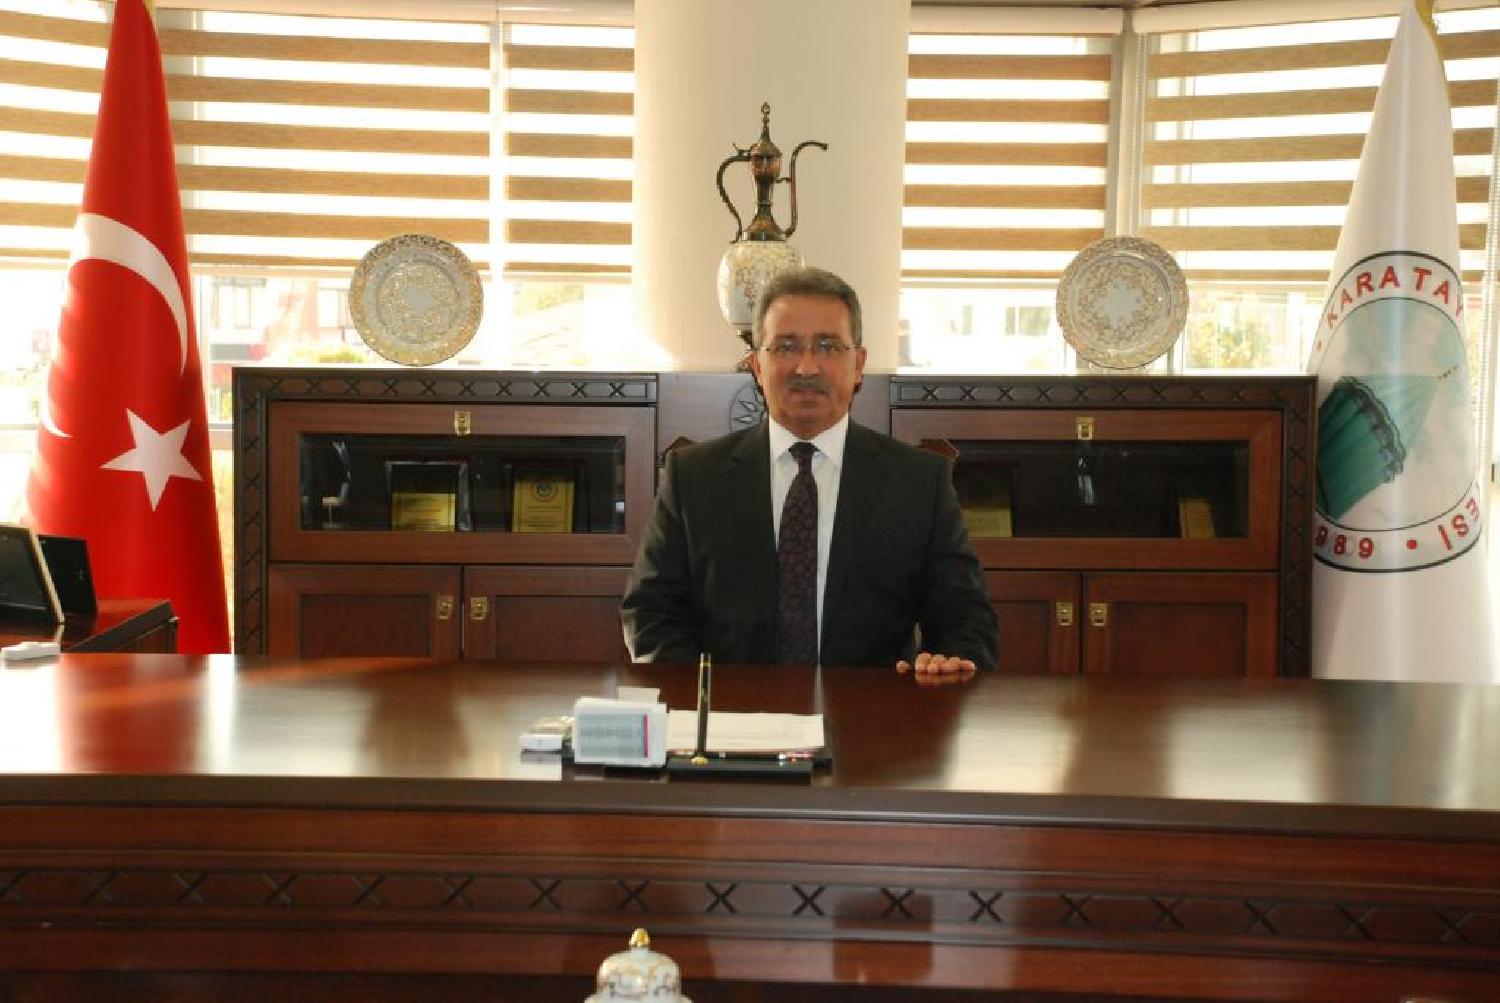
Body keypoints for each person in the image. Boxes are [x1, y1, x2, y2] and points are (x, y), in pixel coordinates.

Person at [621, 266, 997, 677]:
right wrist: (705, 696)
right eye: (785, 347)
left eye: (828, 346)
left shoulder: (919, 483)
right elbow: (651, 615)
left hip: (872, 714)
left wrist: (947, 665)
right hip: (730, 711)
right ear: (756, 366)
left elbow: (967, 622)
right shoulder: (693, 478)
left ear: (859, 364)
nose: (807, 368)